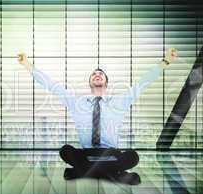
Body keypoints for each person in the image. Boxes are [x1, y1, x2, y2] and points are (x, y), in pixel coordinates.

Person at [17, 48, 177, 184]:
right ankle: (114, 175)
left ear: (106, 82)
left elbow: (143, 83)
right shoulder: (76, 102)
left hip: (110, 154)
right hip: (87, 154)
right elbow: (51, 85)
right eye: (94, 74)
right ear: (90, 82)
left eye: (100, 73)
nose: (97, 74)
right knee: (65, 150)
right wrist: (27, 64)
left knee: (132, 156)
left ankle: (82, 172)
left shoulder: (120, 101)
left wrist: (166, 61)